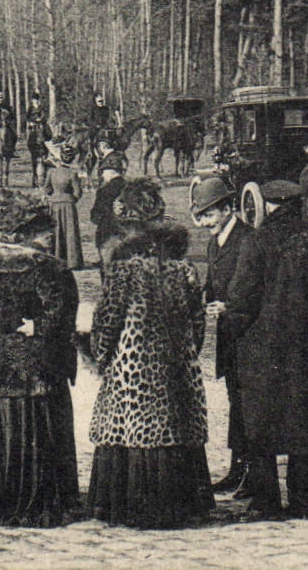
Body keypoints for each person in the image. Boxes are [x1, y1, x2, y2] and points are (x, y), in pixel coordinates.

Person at [223, 176, 308, 520]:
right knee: (302, 424)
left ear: (268, 205)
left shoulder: (257, 240)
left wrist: (235, 328)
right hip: (306, 347)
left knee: (260, 425)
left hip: (261, 346)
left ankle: (266, 501)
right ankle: (301, 501)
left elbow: (241, 299)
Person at [87, 178, 214, 528]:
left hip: (133, 370)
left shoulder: (123, 268)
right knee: (176, 429)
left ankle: (130, 505)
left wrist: (101, 357)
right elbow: (198, 322)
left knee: (130, 429)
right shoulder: (183, 268)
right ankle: (184, 504)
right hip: (176, 370)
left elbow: (107, 322)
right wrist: (186, 354)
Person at [0, 196, 81, 527]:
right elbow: (61, 316)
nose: (50, 236)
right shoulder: (50, 268)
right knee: (40, 430)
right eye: (42, 230)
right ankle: (39, 499)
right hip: (39, 366)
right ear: (26, 232)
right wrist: (36, 332)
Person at [192, 177, 252, 496]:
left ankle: (252, 474)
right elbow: (211, 285)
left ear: (227, 209)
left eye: (209, 215)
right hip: (228, 336)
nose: (204, 223)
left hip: (248, 334)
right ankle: (237, 469)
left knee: (247, 404)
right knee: (235, 401)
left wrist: (230, 305)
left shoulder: (248, 239)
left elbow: (255, 287)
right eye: (201, 216)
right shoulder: (214, 243)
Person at [44, 143, 85, 270]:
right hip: (68, 205)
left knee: (56, 231)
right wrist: (70, 199)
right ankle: (72, 261)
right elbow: (78, 192)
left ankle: (55, 257)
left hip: (54, 204)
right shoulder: (72, 174)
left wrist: (54, 196)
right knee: (70, 232)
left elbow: (46, 189)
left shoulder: (51, 172)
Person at [89, 151, 128, 268]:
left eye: (104, 172)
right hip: (127, 230)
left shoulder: (104, 190)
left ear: (111, 172)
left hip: (108, 229)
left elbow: (96, 214)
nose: (102, 175)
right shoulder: (130, 187)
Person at [24, 93, 50, 188]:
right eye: (34, 100)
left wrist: (40, 119)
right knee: (30, 132)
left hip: (41, 123)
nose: (36, 101)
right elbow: (27, 117)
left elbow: (44, 116)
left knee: (46, 130)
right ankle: (29, 143)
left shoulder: (41, 108)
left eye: (37, 100)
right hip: (33, 124)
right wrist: (31, 121)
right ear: (32, 100)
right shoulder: (30, 108)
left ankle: (48, 142)